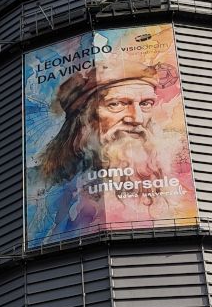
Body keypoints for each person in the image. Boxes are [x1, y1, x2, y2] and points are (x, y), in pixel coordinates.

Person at [28, 49, 193, 243]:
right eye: (116, 104)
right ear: (83, 118)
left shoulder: (176, 175)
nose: (137, 119)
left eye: (146, 103)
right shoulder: (35, 182)